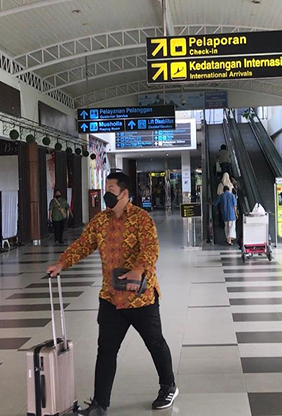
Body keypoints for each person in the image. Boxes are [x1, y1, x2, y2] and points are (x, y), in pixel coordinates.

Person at [46, 172, 177, 416]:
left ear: (125, 194)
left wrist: (139, 269)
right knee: (106, 350)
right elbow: (84, 244)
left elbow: (151, 249)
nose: (106, 193)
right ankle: (99, 404)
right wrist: (62, 263)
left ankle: (168, 386)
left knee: (155, 343)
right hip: (111, 298)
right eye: (105, 187)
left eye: (111, 188)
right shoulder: (101, 220)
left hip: (141, 297)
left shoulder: (142, 219)